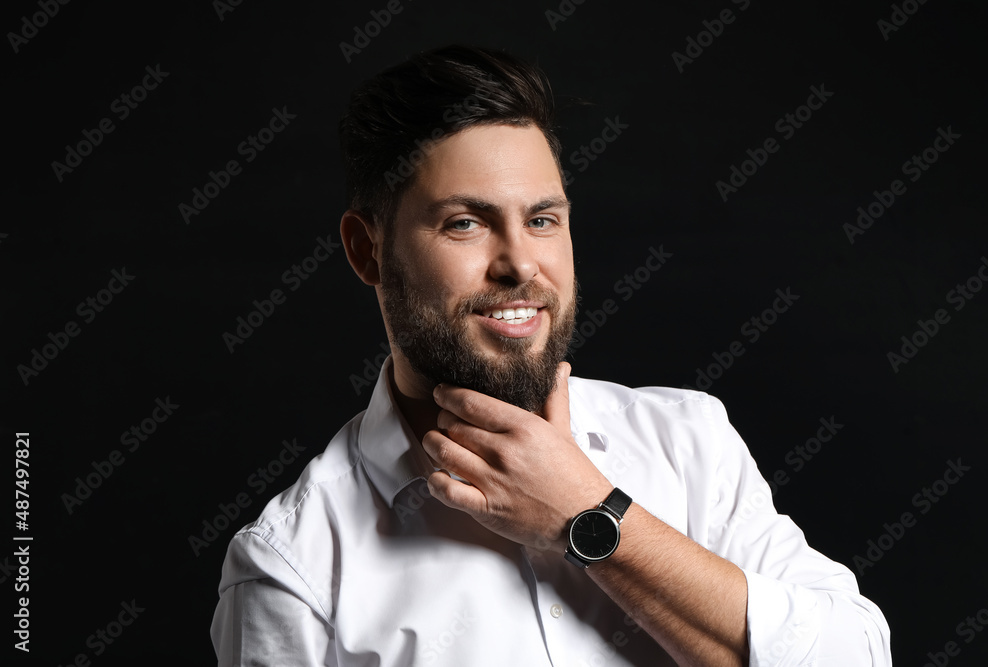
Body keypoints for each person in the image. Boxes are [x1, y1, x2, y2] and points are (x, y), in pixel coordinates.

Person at [211, 44, 892, 666]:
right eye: (466, 223)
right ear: (368, 251)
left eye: (542, 219)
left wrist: (587, 514)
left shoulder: (689, 443)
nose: (519, 265)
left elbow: (856, 656)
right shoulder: (295, 565)